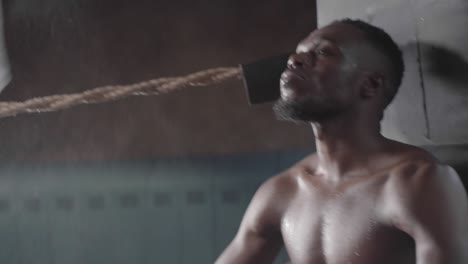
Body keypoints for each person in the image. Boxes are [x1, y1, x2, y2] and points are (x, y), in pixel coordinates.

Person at [215, 19, 468, 264]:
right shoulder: (282, 191)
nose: (294, 60)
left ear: (370, 84)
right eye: (297, 53)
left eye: (324, 52)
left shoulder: (417, 181)